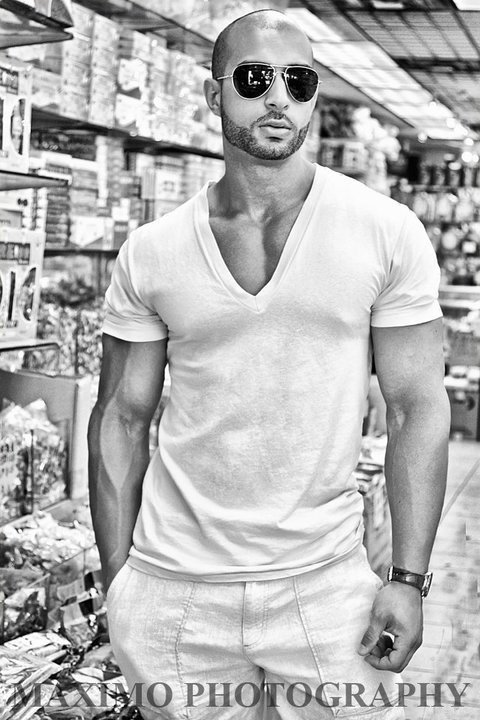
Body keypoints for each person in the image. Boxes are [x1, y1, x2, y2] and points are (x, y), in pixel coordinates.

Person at [88, 9, 451, 720]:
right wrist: (118, 580)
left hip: (325, 582)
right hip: (175, 585)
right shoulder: (153, 252)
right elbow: (121, 417)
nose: (278, 97)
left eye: (299, 81)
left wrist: (407, 578)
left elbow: (417, 408)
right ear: (213, 93)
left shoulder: (385, 231)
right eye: (254, 79)